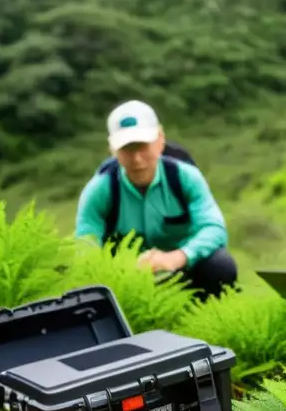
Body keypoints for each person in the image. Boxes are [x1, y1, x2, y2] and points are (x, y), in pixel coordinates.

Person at [74, 100, 238, 299]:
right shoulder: (99, 191)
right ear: (113, 149)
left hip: (183, 270)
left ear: (160, 140)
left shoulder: (185, 178)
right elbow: (85, 245)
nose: (137, 159)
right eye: (127, 149)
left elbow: (214, 229)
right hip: (125, 281)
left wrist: (178, 257)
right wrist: (120, 269)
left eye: (142, 146)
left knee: (220, 264)